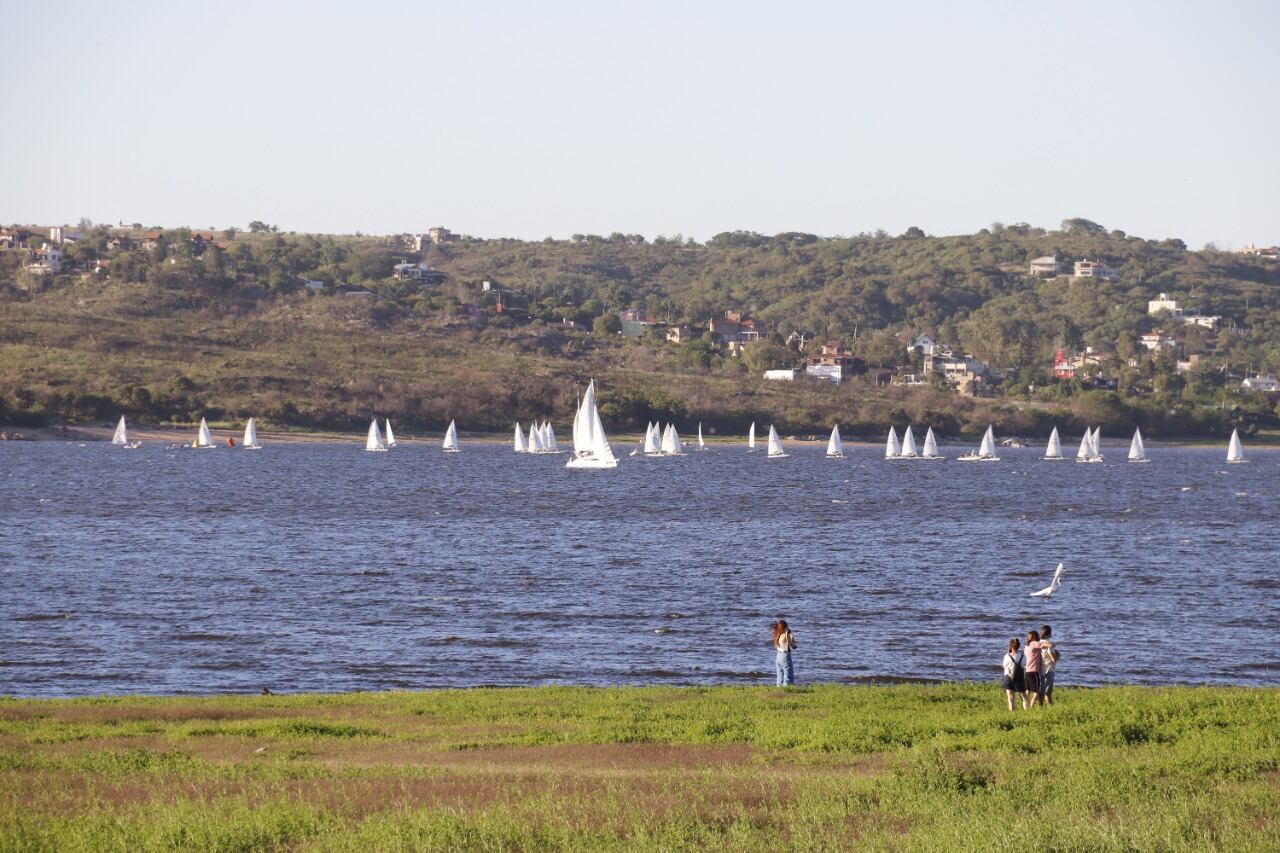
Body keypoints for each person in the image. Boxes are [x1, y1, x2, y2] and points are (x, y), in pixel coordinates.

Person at [1001, 638, 1026, 710]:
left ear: (1010, 646)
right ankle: (1027, 712)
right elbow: (1024, 665)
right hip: (1019, 678)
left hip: (1008, 678)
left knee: (1010, 698)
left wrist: (1008, 652)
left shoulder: (1007, 656)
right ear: (1018, 646)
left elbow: (1004, 666)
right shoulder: (1023, 656)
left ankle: (1012, 713)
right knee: (1024, 698)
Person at [771, 620, 797, 686]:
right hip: (785, 656)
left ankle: (779, 688)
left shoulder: (777, 634)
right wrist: (793, 639)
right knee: (788, 675)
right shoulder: (786, 635)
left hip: (778, 656)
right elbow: (792, 646)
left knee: (780, 674)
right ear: (785, 627)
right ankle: (787, 689)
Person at [1038, 624, 1058, 705]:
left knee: (1041, 689)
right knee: (1048, 692)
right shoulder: (1049, 644)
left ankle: (1041, 706)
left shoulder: (1039, 642)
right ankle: (1050, 706)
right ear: (1049, 633)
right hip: (1049, 669)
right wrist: (1058, 657)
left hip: (1041, 668)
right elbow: (1053, 658)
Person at [1023, 629, 1043, 707]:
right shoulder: (1035, 644)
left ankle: (1025, 706)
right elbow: (1047, 645)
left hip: (1026, 670)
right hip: (1033, 671)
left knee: (1028, 690)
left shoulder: (1026, 646)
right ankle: (1031, 706)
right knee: (1036, 691)